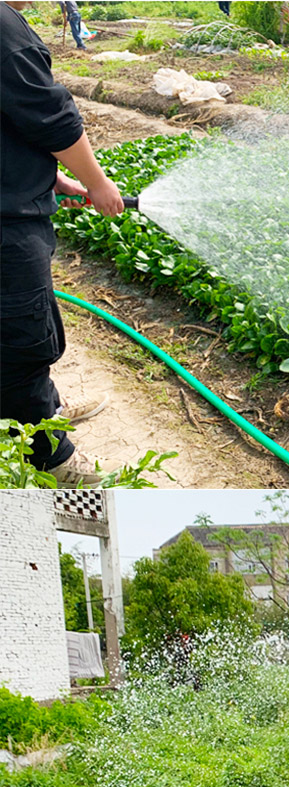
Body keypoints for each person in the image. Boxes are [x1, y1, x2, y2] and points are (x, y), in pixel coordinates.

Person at [1, 0, 125, 487]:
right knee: (21, 342)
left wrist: (49, 178)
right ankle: (51, 458)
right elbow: (52, 117)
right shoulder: (4, 28)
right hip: (8, 228)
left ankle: (44, 410)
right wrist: (96, 182)